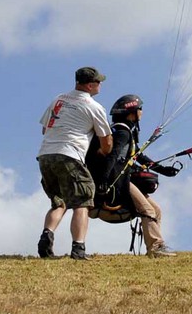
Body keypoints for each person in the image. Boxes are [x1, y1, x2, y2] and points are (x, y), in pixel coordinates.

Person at [87, 93, 179, 257]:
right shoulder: (123, 132)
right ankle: (156, 247)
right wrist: (104, 180)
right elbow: (114, 156)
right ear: (132, 112)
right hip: (118, 180)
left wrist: (163, 170)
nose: (142, 112)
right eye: (140, 109)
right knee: (147, 209)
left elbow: (137, 155)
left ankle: (154, 249)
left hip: (122, 177)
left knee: (156, 210)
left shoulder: (124, 130)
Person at [36, 67, 113, 260]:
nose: (100, 85)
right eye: (98, 82)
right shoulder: (94, 107)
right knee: (82, 201)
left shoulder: (59, 99)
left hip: (45, 155)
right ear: (89, 85)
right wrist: (103, 152)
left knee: (59, 201)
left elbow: (45, 129)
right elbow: (107, 140)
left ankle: (46, 237)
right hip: (70, 155)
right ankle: (78, 249)